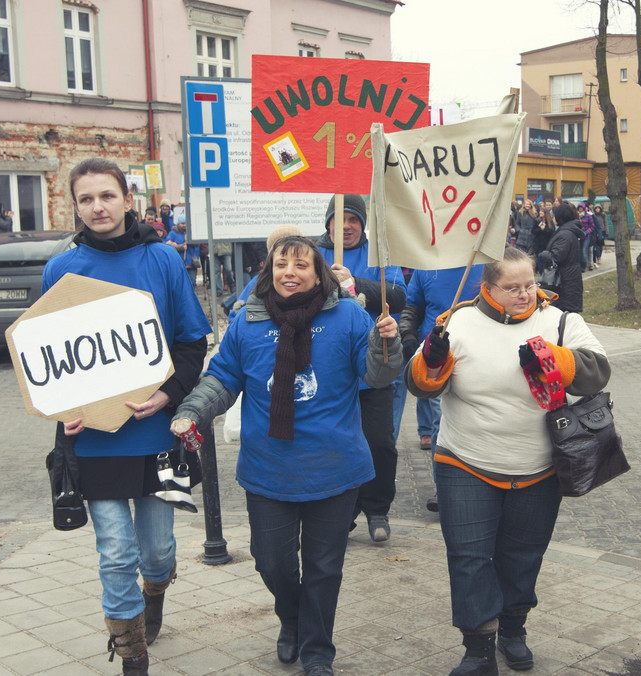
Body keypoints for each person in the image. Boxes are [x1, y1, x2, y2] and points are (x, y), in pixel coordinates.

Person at [172, 235, 401, 676]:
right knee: (272, 560)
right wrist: (192, 411)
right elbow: (222, 379)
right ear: (269, 270)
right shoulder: (247, 321)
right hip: (268, 469)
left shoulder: (349, 315)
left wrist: (385, 344)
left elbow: (377, 375)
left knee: (323, 567)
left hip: (334, 468)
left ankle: (317, 650)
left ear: (318, 273)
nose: (290, 272)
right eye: (282, 264)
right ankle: (291, 618)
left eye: (301, 264)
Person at [406, 246, 609, 676]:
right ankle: (478, 648)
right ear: (487, 288)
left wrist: (556, 358)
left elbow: (598, 371)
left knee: (522, 555)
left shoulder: (559, 321)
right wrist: (433, 359)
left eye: (530, 284)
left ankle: (513, 631)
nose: (524, 294)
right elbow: (420, 386)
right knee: (469, 557)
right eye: (512, 287)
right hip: (464, 461)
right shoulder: (457, 321)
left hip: (538, 467)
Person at [44, 159, 210, 676]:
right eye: (86, 198)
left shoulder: (161, 258)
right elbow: (50, 359)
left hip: (157, 433)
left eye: (107, 196)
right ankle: (131, 651)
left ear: (127, 199)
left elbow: (190, 341)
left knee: (156, 551)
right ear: (75, 206)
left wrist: (167, 395)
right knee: (116, 551)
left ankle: (155, 592)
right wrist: (66, 408)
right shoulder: (60, 269)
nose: (98, 207)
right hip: (93, 437)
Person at [318, 194, 407, 543]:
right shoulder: (313, 254)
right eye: (340, 219)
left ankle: (377, 507)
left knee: (380, 443)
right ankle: (342, 512)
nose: (347, 226)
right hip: (330, 372)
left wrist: (354, 283)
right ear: (328, 223)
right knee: (334, 446)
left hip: (374, 370)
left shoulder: (379, 256)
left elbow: (399, 296)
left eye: (354, 219)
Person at [398, 263, 484, 512]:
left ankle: (481, 480)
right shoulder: (427, 265)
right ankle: (444, 487)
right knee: (440, 421)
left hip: (478, 355)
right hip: (436, 355)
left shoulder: (488, 263)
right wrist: (408, 335)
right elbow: (412, 305)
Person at [537, 203, 585, 313]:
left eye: (554, 216)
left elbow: (556, 257)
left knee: (562, 315)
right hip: (567, 279)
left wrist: (543, 254)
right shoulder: (567, 231)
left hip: (564, 281)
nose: (552, 218)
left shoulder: (565, 234)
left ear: (560, 217)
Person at [163, 214, 196, 286]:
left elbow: (197, 244)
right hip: (178, 261)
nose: (184, 225)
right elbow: (168, 244)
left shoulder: (191, 232)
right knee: (180, 283)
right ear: (178, 224)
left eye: (185, 223)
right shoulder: (173, 233)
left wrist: (190, 241)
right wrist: (180, 247)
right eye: (182, 223)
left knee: (192, 282)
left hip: (191, 262)